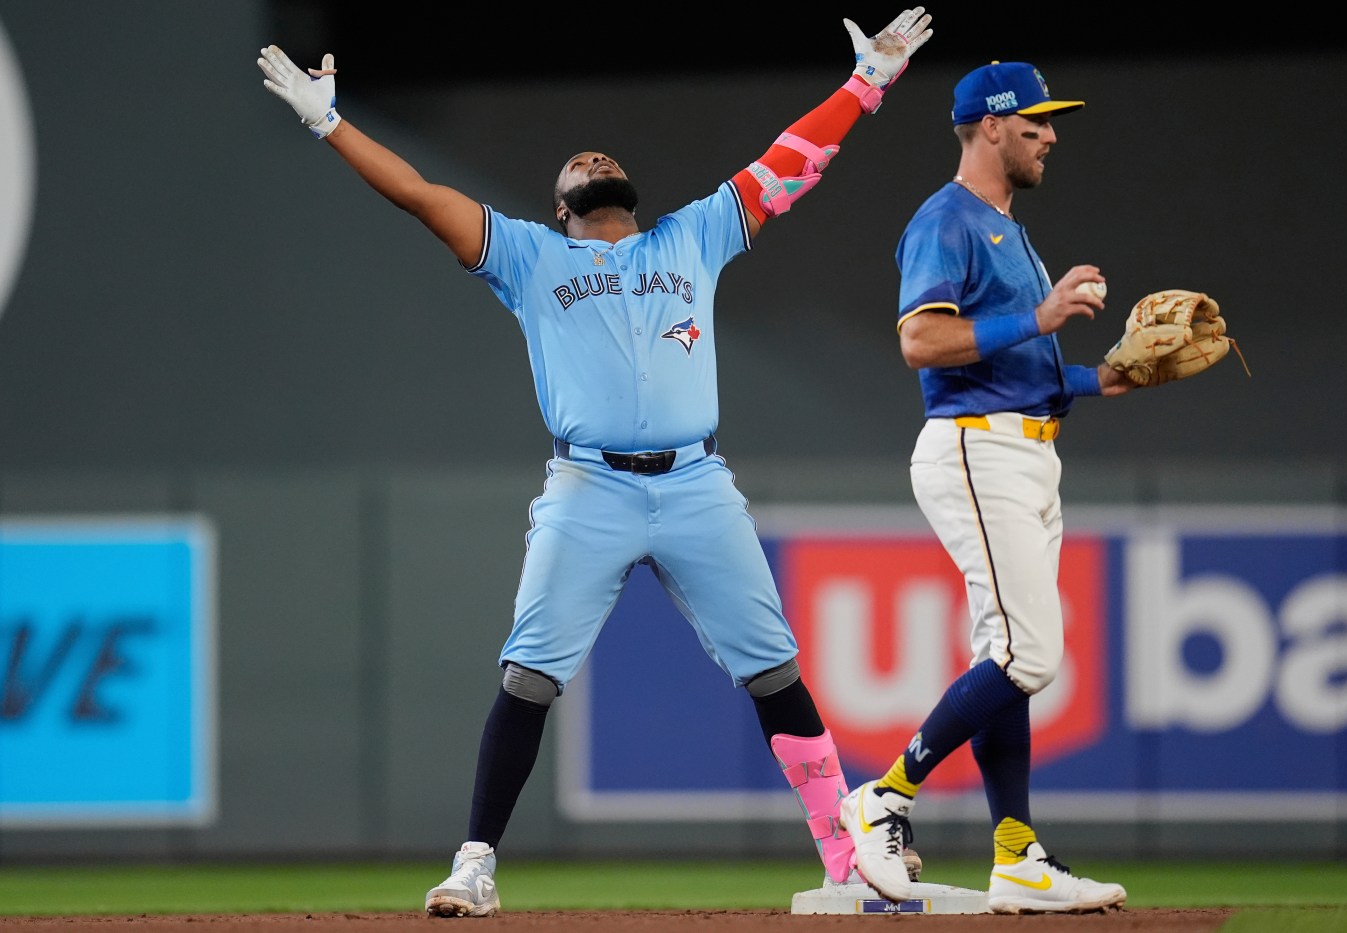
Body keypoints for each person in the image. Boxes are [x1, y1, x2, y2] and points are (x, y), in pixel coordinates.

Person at [256, 9, 933, 919]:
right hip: (589, 485)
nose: (592, 156)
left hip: (695, 482)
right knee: (529, 676)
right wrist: (330, 123)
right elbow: (417, 192)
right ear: (561, 207)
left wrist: (866, 84)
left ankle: (843, 857)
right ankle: (475, 863)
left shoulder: (692, 235)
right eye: (576, 162)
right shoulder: (527, 255)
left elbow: (791, 162)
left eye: (600, 157)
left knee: (775, 671)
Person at [837, 61, 1133, 914]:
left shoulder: (1007, 228)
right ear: (992, 126)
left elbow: (1021, 367)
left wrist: (1105, 379)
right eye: (1036, 122)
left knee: (1006, 654)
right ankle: (884, 795)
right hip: (976, 448)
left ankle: (1016, 855)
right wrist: (1040, 316)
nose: (1051, 135)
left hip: (1027, 447)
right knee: (1029, 653)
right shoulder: (947, 219)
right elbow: (922, 343)